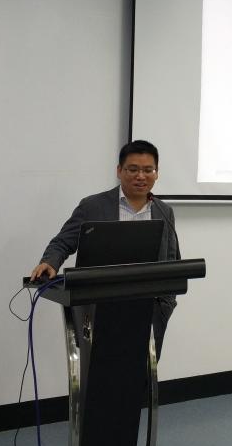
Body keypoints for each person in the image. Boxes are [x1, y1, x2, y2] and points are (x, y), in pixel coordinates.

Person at [30, 139, 179, 358]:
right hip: (99, 308)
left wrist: (166, 304)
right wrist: (49, 262)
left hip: (149, 310)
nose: (141, 176)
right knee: (99, 370)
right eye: (133, 169)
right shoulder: (93, 206)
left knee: (143, 372)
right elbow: (63, 241)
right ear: (119, 171)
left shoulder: (164, 211)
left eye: (148, 170)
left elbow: (172, 261)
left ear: (156, 173)